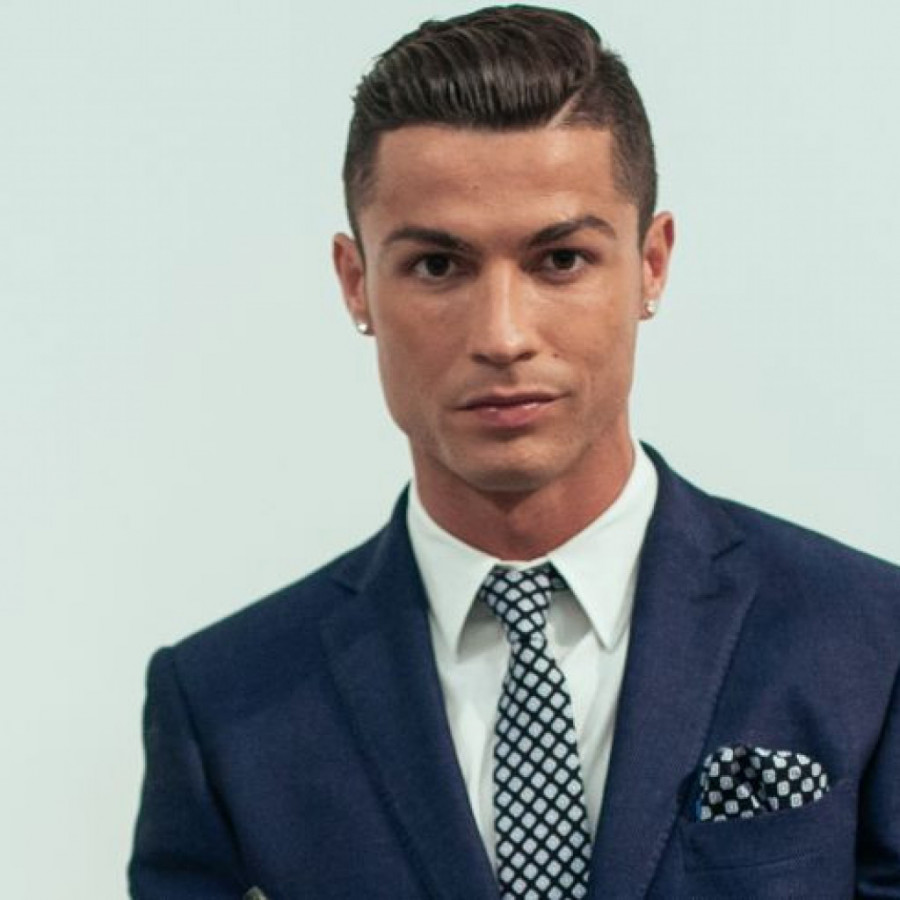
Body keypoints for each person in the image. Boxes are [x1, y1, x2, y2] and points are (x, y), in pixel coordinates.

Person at [128, 6, 900, 898]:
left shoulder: (869, 643)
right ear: (356, 283)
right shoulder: (224, 708)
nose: (503, 335)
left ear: (651, 264)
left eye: (561, 259)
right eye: (437, 266)